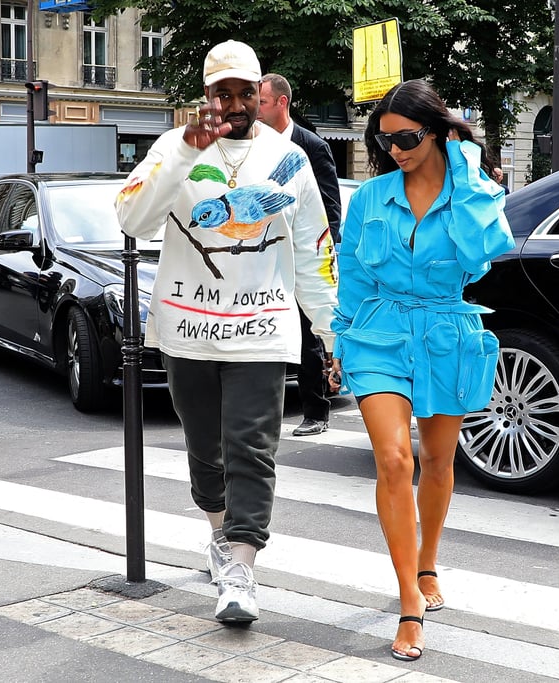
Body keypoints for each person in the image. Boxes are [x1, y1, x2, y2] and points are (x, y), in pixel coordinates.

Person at [115, 40, 337, 623]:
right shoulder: (172, 146)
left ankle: (241, 568)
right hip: (187, 329)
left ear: (261, 95)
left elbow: (314, 250)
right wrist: (187, 153)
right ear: (207, 95)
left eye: (245, 93)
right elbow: (132, 219)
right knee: (205, 451)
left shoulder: (290, 159)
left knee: (252, 448)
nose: (235, 104)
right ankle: (217, 531)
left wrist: (329, 331)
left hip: (263, 328)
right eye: (223, 93)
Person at [330, 79, 515, 662]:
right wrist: (340, 341)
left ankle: (428, 563)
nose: (395, 151)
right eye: (385, 142)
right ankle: (410, 599)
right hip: (377, 333)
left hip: (443, 333)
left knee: (438, 460)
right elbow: (354, 275)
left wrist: (462, 163)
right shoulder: (369, 198)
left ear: (434, 132)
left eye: (407, 138)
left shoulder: (473, 193)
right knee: (393, 458)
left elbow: (480, 254)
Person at [258, 73, 342, 437]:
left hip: (303, 253)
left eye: (260, 102)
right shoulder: (251, 145)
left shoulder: (310, 145)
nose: (254, 109)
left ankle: (316, 412)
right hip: (265, 256)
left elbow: (329, 205)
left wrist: (326, 254)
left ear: (281, 103)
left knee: (309, 335)